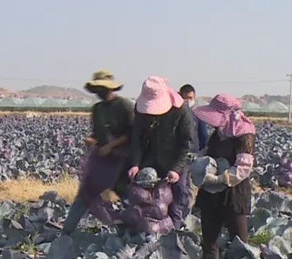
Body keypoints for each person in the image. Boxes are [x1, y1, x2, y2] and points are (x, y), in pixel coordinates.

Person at [61, 70, 135, 234]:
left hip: (122, 161)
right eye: (98, 89)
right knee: (85, 195)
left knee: (127, 197)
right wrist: (92, 140)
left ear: (110, 89)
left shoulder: (124, 106)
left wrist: (111, 145)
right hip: (102, 161)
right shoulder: (98, 109)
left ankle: (134, 231)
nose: (100, 92)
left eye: (102, 89)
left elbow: (132, 133)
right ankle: (66, 233)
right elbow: (97, 133)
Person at [191, 94, 256, 259]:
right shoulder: (218, 134)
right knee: (209, 236)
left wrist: (221, 179)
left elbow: (243, 167)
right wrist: (198, 163)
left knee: (239, 238)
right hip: (211, 193)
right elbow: (207, 152)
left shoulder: (244, 135)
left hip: (234, 192)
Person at [128, 76, 196, 228]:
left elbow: (187, 143)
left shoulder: (181, 110)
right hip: (152, 158)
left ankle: (174, 235)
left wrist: (176, 169)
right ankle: (148, 233)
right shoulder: (141, 110)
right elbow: (137, 139)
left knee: (177, 198)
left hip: (176, 159)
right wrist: (135, 163)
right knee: (150, 201)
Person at [179, 84, 210, 152]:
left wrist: (202, 150)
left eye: (190, 98)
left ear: (194, 97)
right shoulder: (175, 114)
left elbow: (203, 134)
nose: (187, 101)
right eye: (185, 98)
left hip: (193, 151)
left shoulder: (198, 114)